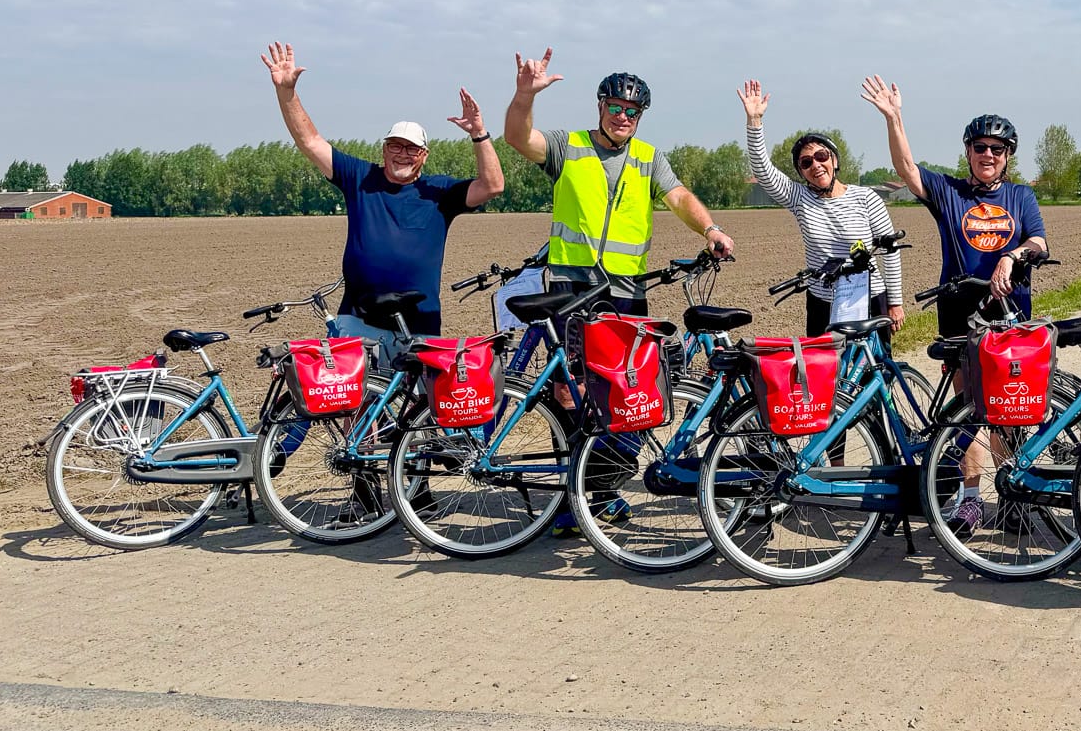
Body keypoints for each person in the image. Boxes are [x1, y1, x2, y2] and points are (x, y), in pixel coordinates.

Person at [503, 49, 737, 537]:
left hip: (626, 292)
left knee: (623, 390)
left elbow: (679, 197)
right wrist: (525, 96)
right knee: (570, 391)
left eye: (632, 111)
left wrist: (710, 229)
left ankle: (601, 489)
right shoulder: (570, 146)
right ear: (601, 107)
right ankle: (571, 494)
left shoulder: (649, 158)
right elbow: (518, 138)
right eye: (616, 107)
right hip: (571, 289)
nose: (623, 116)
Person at [861, 74, 1046, 536]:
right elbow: (907, 168)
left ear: (1008, 156)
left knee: (1007, 410)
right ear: (968, 151)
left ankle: (1012, 495)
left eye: (998, 149)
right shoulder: (949, 193)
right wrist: (894, 117)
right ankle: (969, 499)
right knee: (969, 408)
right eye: (980, 147)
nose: (989, 155)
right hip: (960, 314)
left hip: (1010, 315)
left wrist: (1013, 255)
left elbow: (1039, 242)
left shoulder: (1021, 196)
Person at [262, 42, 503, 363]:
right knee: (352, 395)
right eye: (395, 146)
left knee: (418, 397)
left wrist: (479, 133)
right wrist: (286, 92)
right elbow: (310, 141)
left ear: (424, 155)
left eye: (412, 149)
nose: (403, 154)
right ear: (384, 149)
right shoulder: (359, 177)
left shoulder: (439, 191)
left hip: (420, 326)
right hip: (358, 322)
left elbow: (493, 185)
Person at [737, 79, 904, 337]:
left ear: (834, 161)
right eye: (806, 163)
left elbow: (890, 251)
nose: (815, 165)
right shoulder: (800, 198)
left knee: (874, 362)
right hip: (823, 301)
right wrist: (755, 121)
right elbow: (762, 169)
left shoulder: (866, 198)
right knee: (822, 363)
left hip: (868, 297)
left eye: (821, 156)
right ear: (802, 172)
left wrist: (895, 302)